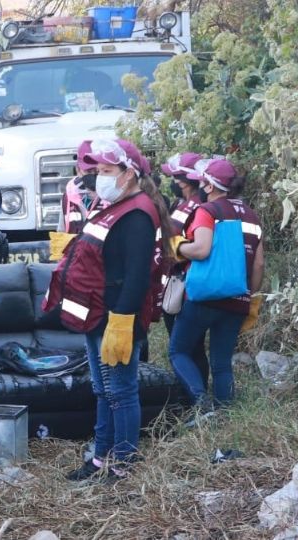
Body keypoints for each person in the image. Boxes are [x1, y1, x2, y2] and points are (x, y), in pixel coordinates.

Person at [42, 139, 173, 481]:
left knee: (121, 392)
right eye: (97, 170)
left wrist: (122, 321)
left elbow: (136, 275)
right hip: (96, 314)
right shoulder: (114, 205)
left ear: (129, 174)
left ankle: (123, 464)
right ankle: (101, 456)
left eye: (106, 171)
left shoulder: (138, 213)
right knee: (103, 390)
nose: (98, 177)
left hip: (116, 317)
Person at [169, 158, 265, 412]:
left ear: (210, 186)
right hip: (238, 299)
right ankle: (224, 415)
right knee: (222, 363)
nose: (199, 185)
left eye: (202, 181)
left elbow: (200, 250)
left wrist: (176, 247)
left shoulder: (208, 210)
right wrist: (250, 297)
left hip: (204, 297)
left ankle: (201, 402)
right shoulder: (252, 216)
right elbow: (258, 265)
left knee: (178, 351)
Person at [161, 152, 209, 385]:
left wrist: (171, 248)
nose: (174, 182)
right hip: (176, 280)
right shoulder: (184, 204)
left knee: (186, 349)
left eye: (177, 177)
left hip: (186, 281)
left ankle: (195, 400)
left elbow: (190, 245)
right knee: (185, 347)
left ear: (185, 180)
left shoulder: (199, 207)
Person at [58, 140, 104, 234]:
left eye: (98, 171)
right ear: (78, 170)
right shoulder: (69, 197)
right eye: (89, 171)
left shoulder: (113, 196)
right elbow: (61, 234)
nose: (94, 175)